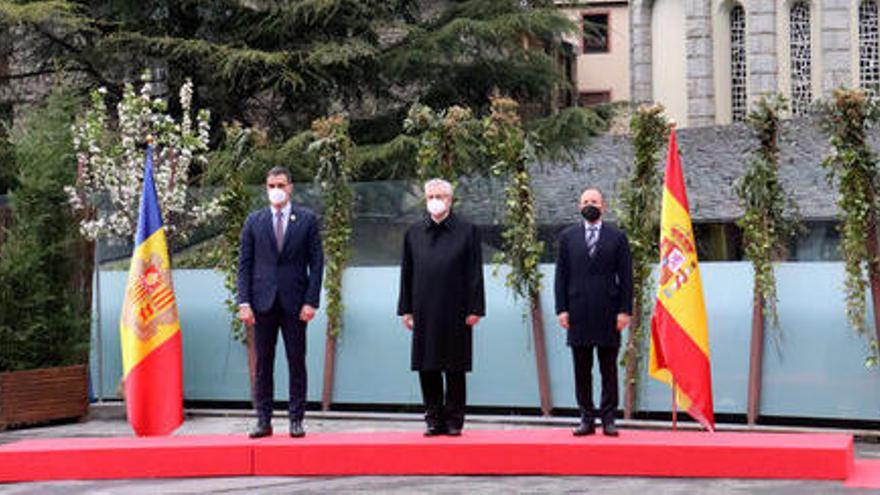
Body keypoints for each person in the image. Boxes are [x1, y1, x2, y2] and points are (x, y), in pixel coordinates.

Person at [237, 166, 324, 438]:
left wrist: (311, 301)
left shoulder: (307, 220)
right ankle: (263, 419)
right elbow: (245, 264)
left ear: (290, 187)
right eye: (271, 186)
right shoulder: (254, 221)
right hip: (262, 303)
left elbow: (317, 263)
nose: (276, 190)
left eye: (281, 185)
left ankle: (296, 419)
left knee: (296, 360)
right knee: (264, 362)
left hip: (295, 303)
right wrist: (244, 302)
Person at [397, 178, 485, 437]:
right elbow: (407, 273)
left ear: (450, 199)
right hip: (424, 308)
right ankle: (433, 418)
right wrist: (406, 309)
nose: (436, 201)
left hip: (457, 308)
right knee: (428, 364)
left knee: (455, 365)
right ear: (425, 200)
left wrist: (475, 308)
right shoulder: (413, 233)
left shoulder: (467, 231)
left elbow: (474, 272)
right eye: (431, 196)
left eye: (441, 196)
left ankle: (455, 418)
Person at [554, 187, 633, 437]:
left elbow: (627, 277)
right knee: (582, 368)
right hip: (577, 312)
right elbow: (561, 277)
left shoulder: (617, 237)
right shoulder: (568, 237)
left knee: (608, 368)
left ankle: (609, 418)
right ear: (579, 206)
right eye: (586, 201)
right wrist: (561, 309)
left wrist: (624, 311)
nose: (590, 204)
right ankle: (586, 418)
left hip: (609, 312)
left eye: (595, 201)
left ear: (603, 206)